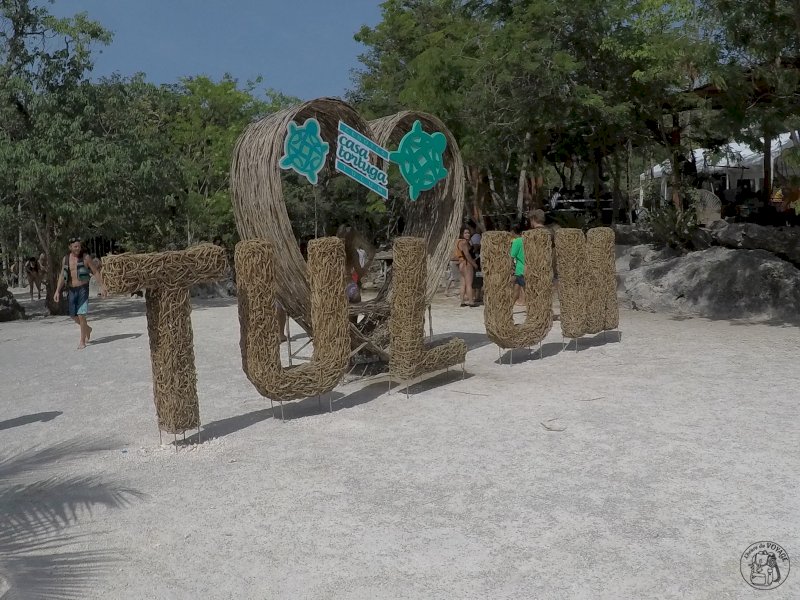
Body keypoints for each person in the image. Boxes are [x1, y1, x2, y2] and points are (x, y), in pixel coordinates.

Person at [54, 237, 107, 350]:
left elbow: (95, 272)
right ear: (70, 247)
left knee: (81, 315)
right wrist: (57, 291)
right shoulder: (66, 259)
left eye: (79, 246)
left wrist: (102, 286)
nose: (78, 248)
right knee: (73, 316)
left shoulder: (86, 258)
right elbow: (62, 276)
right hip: (71, 290)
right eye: (75, 246)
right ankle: (87, 329)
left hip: (83, 288)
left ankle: (82, 341)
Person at [453, 227, 478, 307]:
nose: (467, 234)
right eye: (465, 233)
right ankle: (471, 301)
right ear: (462, 234)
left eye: (468, 233)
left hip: (461, 263)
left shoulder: (458, 241)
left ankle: (462, 301)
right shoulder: (464, 242)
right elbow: (467, 255)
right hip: (467, 264)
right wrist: (474, 264)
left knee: (463, 284)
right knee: (469, 284)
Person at [509, 223, 526, 306]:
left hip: (520, 269)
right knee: (516, 288)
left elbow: (511, 257)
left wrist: (511, 268)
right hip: (524, 268)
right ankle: (510, 307)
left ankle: (532, 309)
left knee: (525, 291)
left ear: (512, 231)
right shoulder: (525, 239)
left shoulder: (516, 242)